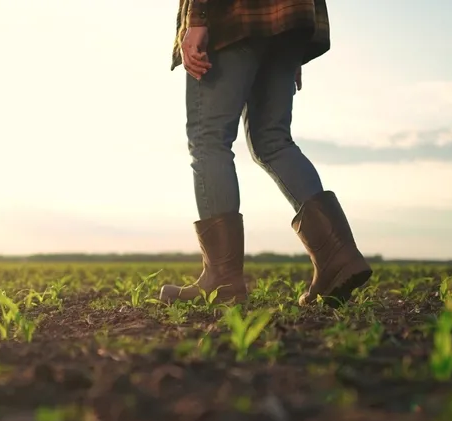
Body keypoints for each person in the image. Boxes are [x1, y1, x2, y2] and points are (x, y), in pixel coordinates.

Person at [158, 0, 372, 307]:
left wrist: (198, 17)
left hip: (234, 13)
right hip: (289, 20)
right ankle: (338, 256)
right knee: (273, 140)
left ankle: (222, 279)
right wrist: (290, 48)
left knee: (210, 139)